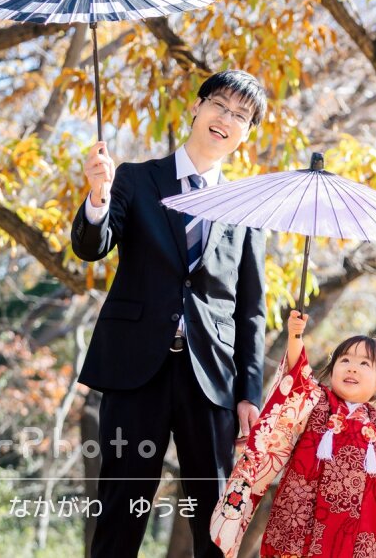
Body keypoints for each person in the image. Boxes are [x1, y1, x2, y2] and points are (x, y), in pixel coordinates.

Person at [72, 70, 268, 558]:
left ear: (246, 133)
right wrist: (98, 196)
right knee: (121, 509)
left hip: (212, 379)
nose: (226, 119)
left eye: (240, 116)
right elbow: (90, 247)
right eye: (219, 105)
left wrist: (249, 392)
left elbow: (251, 310)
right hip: (136, 368)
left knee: (216, 517)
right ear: (197, 108)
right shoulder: (136, 179)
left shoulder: (247, 208)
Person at [210, 310, 376, 558]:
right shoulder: (316, 401)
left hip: (361, 528)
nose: (352, 368)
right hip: (302, 515)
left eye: (364, 364)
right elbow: (297, 376)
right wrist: (295, 337)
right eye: (344, 360)